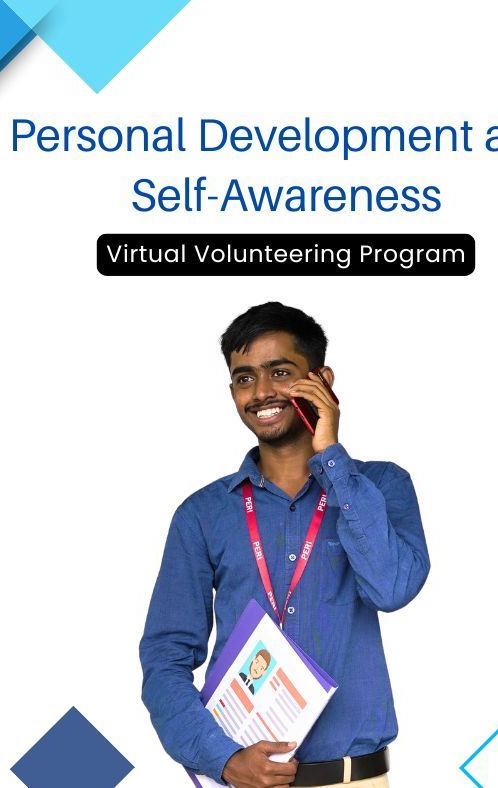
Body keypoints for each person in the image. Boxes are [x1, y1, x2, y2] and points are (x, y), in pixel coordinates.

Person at [140, 302, 430, 788]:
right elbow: (165, 658)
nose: (261, 392)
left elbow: (392, 589)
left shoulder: (381, 486)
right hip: (244, 779)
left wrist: (331, 457)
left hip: (354, 780)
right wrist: (222, 759)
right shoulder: (202, 515)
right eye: (244, 378)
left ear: (322, 380)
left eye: (280, 372)